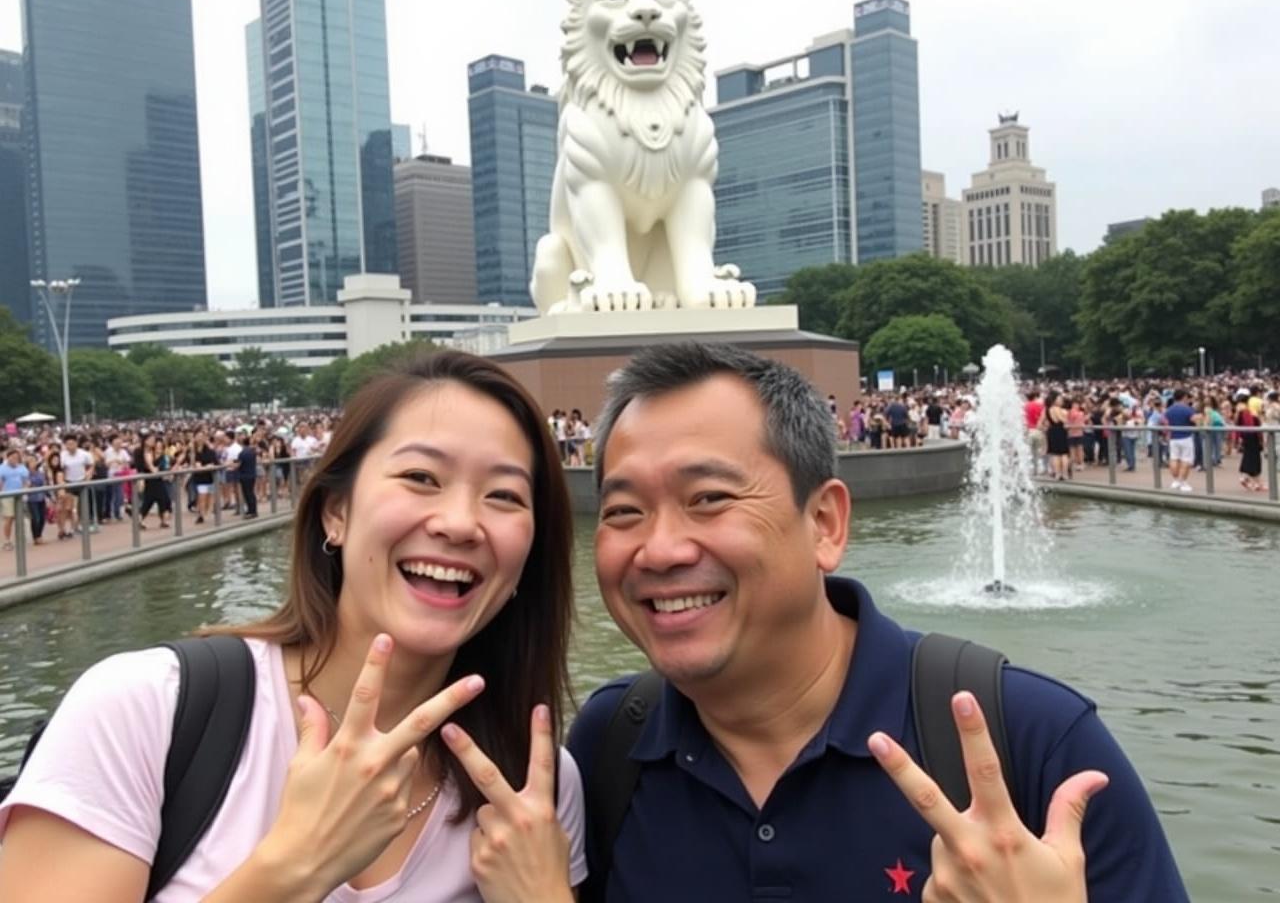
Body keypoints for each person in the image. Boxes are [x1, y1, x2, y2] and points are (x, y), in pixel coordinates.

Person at [568, 342, 1187, 902]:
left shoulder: (1030, 742)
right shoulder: (607, 747)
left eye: (709, 498)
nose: (659, 549)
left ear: (825, 523)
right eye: (624, 510)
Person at [0, 351, 586, 901]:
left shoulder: (534, 787)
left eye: (504, 495)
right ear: (336, 510)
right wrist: (293, 867)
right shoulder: (143, 710)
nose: (461, 523)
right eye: (421, 478)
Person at [1163, 389, 1196, 492]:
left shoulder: (1168, 410)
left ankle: (1176, 480)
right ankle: (1183, 482)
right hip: (1186, 437)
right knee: (1186, 460)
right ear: (1184, 397)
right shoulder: (1188, 409)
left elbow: (1165, 422)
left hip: (1173, 438)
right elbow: (1195, 420)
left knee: (1174, 458)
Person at [0, 447, 30, 550]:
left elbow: (26, 481)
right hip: (7, 496)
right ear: (8, 458)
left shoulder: (22, 468)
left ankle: (21, 539)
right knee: (9, 518)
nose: (14, 459)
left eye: (16, 458)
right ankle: (7, 541)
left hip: (20, 496)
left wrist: (25, 493)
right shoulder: (2, 468)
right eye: (12, 457)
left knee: (20, 518)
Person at [234, 431, 258, 519]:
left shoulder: (242, 453)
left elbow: (238, 465)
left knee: (247, 493)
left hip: (244, 475)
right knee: (251, 493)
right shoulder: (252, 452)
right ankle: (252, 510)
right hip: (252, 474)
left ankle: (252, 511)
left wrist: (232, 466)